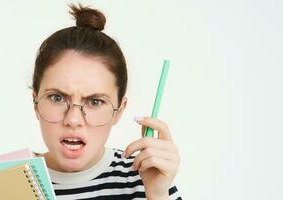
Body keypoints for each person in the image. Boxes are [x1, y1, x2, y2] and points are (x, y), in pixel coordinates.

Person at [31, 4, 182, 200]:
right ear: (35, 102)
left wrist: (157, 194)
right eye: (57, 98)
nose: (73, 120)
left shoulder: (147, 178)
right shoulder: (6, 180)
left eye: (95, 101)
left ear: (119, 110)